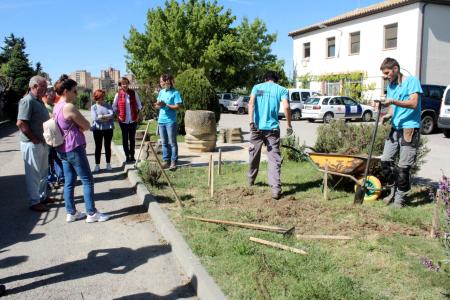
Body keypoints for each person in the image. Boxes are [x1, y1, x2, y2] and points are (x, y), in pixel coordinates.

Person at [54, 74, 109, 222]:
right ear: (66, 91)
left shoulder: (56, 106)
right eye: (74, 90)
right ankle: (91, 213)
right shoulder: (68, 107)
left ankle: (71, 212)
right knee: (87, 180)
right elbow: (87, 125)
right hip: (74, 147)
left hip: (62, 149)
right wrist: (80, 127)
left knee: (69, 181)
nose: (76, 94)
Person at [379, 57, 423, 208]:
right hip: (395, 128)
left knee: (403, 168)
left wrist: (392, 102)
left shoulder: (412, 81)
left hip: (409, 128)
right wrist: (388, 115)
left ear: (395, 69)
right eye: (384, 74)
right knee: (385, 162)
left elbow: (413, 103)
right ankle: (393, 190)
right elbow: (393, 108)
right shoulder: (391, 86)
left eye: (387, 72)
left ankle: (399, 200)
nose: (385, 76)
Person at [247, 71, 293, 200]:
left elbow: (251, 103)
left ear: (265, 78)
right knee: (274, 158)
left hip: (256, 127)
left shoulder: (257, 87)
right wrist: (289, 125)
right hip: (273, 129)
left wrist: (251, 121)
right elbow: (287, 107)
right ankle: (276, 190)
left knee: (253, 154)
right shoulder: (282, 89)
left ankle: (251, 180)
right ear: (276, 80)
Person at [16, 75, 55, 212]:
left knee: (43, 172)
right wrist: (34, 139)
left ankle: (42, 197)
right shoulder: (27, 101)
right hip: (32, 143)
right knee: (33, 174)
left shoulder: (38, 100)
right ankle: (34, 201)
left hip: (41, 142)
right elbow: (21, 123)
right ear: (34, 87)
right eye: (43, 87)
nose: (46, 90)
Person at [154, 74, 183, 170]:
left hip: (170, 121)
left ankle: (174, 162)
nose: (161, 83)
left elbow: (178, 107)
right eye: (161, 82)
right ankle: (166, 161)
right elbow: (158, 106)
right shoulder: (161, 92)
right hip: (161, 121)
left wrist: (166, 105)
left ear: (168, 82)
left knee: (172, 143)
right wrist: (158, 104)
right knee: (164, 142)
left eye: (162, 81)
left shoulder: (175, 93)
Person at [112, 77, 142, 163]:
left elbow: (139, 105)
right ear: (120, 85)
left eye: (126, 83)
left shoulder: (133, 93)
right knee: (125, 138)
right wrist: (118, 116)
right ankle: (127, 156)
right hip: (123, 120)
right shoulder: (118, 94)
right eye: (123, 83)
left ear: (128, 84)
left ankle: (132, 155)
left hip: (133, 120)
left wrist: (138, 115)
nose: (125, 85)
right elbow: (114, 107)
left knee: (132, 138)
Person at [42, 85, 64, 187]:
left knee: (57, 158)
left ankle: (61, 177)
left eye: (54, 96)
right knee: (49, 160)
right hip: (48, 137)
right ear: (46, 96)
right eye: (51, 96)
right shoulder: (43, 107)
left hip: (56, 136)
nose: (53, 98)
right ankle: (50, 179)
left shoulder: (55, 106)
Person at [91, 89, 114, 172]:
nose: (102, 99)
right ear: (96, 97)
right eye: (101, 97)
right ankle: (97, 165)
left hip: (108, 129)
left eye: (103, 97)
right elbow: (95, 118)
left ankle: (108, 163)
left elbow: (111, 115)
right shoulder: (93, 107)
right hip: (97, 130)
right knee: (98, 147)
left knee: (107, 146)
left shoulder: (108, 105)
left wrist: (101, 117)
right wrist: (105, 118)